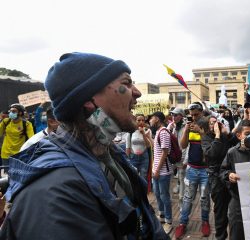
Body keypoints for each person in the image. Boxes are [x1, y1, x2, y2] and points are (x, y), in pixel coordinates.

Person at [0, 52, 168, 239]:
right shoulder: (56, 193)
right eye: (126, 83)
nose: (137, 92)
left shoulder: (110, 154)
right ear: (89, 100)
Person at [175, 102, 211, 239]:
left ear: (202, 112)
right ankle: (182, 223)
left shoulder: (208, 124)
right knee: (187, 199)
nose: (194, 118)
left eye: (197, 114)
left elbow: (211, 144)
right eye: (192, 115)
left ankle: (205, 221)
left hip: (205, 170)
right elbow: (183, 145)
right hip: (192, 169)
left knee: (204, 198)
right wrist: (186, 130)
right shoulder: (189, 126)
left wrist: (201, 132)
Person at [199, 116, 234, 240]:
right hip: (216, 178)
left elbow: (236, 144)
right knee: (220, 211)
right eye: (211, 123)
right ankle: (220, 237)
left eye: (216, 122)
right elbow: (212, 153)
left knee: (234, 209)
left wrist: (228, 133)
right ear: (207, 126)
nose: (214, 125)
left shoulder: (225, 137)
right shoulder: (206, 138)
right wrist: (218, 136)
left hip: (229, 176)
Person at [149, 111, 173, 234]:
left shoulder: (164, 132)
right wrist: (147, 136)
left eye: (151, 118)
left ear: (157, 119)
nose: (150, 121)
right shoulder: (158, 132)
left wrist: (157, 170)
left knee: (164, 196)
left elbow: (165, 152)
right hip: (157, 171)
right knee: (158, 194)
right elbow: (156, 147)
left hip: (163, 172)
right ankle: (162, 216)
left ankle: (169, 221)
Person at [0, 103, 34, 175]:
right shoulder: (6, 121)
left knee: (19, 175)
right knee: (8, 177)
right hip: (6, 154)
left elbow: (32, 140)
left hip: (19, 155)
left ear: (20, 113)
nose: (11, 113)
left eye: (14, 111)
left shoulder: (27, 124)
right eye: (10, 111)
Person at [167, 108, 187, 209]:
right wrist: (169, 128)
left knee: (181, 179)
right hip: (172, 157)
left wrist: (186, 160)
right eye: (172, 115)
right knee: (169, 178)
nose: (173, 117)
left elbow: (188, 145)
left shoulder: (186, 127)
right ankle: (169, 200)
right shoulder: (172, 127)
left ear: (181, 116)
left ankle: (181, 203)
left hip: (182, 157)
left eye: (176, 115)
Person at [126, 114, 152, 181]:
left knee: (143, 177)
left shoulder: (147, 130)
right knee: (133, 177)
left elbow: (149, 145)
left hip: (144, 157)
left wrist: (143, 134)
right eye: (139, 120)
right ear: (135, 121)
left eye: (143, 120)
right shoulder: (130, 131)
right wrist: (127, 160)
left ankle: (143, 191)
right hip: (133, 157)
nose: (141, 122)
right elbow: (128, 147)